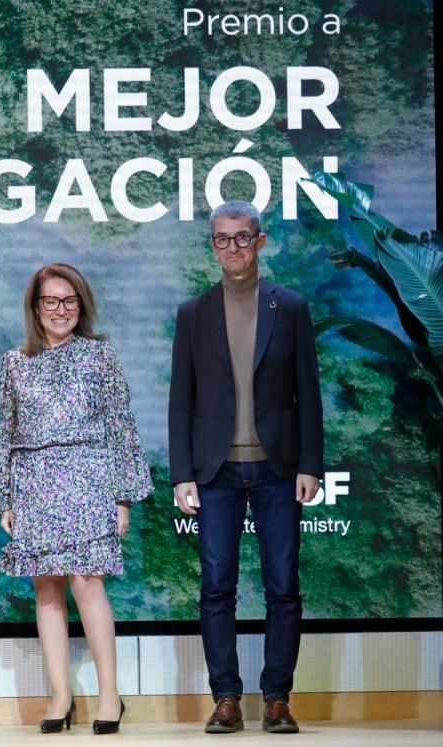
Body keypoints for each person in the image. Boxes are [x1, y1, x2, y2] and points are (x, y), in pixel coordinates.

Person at [169, 200, 322, 734]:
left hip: (280, 469)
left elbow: (309, 393)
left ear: (260, 241)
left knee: (284, 586)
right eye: (221, 239)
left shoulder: (292, 306)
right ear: (212, 245)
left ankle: (277, 698)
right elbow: (180, 399)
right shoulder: (193, 312)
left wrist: (310, 463)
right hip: (216, 473)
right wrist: (182, 473)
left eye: (241, 237)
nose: (231, 247)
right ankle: (226, 698)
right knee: (216, 588)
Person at [0, 263, 151, 735]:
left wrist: (123, 496)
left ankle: (109, 696)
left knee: (87, 584)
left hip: (90, 477)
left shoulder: (101, 355)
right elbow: (5, 432)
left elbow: (121, 424)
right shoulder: (14, 361)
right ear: (35, 308)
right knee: (46, 588)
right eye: (51, 301)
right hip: (34, 479)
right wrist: (5, 496)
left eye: (69, 301)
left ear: (81, 305)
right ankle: (60, 695)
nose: (61, 310)